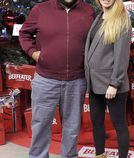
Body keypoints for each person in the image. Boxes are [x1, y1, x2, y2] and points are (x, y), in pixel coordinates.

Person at [19, 0, 95, 158]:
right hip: (45, 79)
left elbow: (96, 40)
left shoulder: (88, 11)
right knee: (41, 124)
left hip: (77, 80)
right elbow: (24, 33)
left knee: (72, 126)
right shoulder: (41, 9)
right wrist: (34, 53)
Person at [84, 0, 132, 157]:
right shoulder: (99, 16)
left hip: (112, 84)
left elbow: (121, 55)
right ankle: (100, 155)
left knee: (119, 125)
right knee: (97, 123)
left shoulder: (121, 19)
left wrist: (114, 83)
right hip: (94, 82)